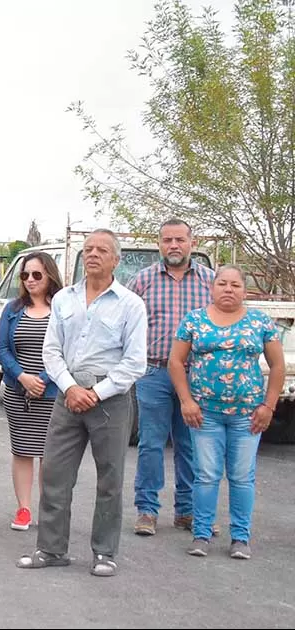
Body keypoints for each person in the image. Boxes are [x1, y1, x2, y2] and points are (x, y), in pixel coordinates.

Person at [17, 229, 147, 578]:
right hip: (67, 396)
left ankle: (104, 552)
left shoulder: (131, 304)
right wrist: (71, 388)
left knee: (110, 479)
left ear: (115, 260)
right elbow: (51, 351)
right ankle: (51, 548)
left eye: (102, 250)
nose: (92, 255)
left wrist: (96, 392)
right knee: (56, 475)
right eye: (88, 249)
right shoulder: (63, 300)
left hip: (110, 400)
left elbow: (135, 362)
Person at [170, 265, 284, 560]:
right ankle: (201, 535)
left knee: (242, 476)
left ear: (244, 290)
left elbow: (278, 366)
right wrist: (186, 401)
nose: (229, 289)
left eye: (235, 285)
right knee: (206, 475)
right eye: (222, 283)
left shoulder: (260, 322)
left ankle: (240, 538)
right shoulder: (194, 320)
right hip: (204, 413)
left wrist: (268, 406)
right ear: (212, 287)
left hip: (248, 415)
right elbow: (175, 362)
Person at [128, 219, 214, 536]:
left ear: (192, 241)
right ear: (159, 244)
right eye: (167, 240)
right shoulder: (142, 281)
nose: (173, 245)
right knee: (151, 444)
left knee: (190, 445)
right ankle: (147, 511)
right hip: (154, 373)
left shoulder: (210, 281)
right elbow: (126, 323)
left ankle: (187, 512)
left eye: (179, 239)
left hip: (197, 377)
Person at [0, 252, 63, 531]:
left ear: (49, 275)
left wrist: (44, 379)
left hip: (54, 392)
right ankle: (23, 509)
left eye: (37, 274)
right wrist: (23, 377)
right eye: (25, 275)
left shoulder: (63, 308)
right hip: (19, 393)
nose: (31, 280)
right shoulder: (12, 309)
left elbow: (70, 349)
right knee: (22, 451)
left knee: (53, 454)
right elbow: (2, 349)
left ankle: (50, 511)